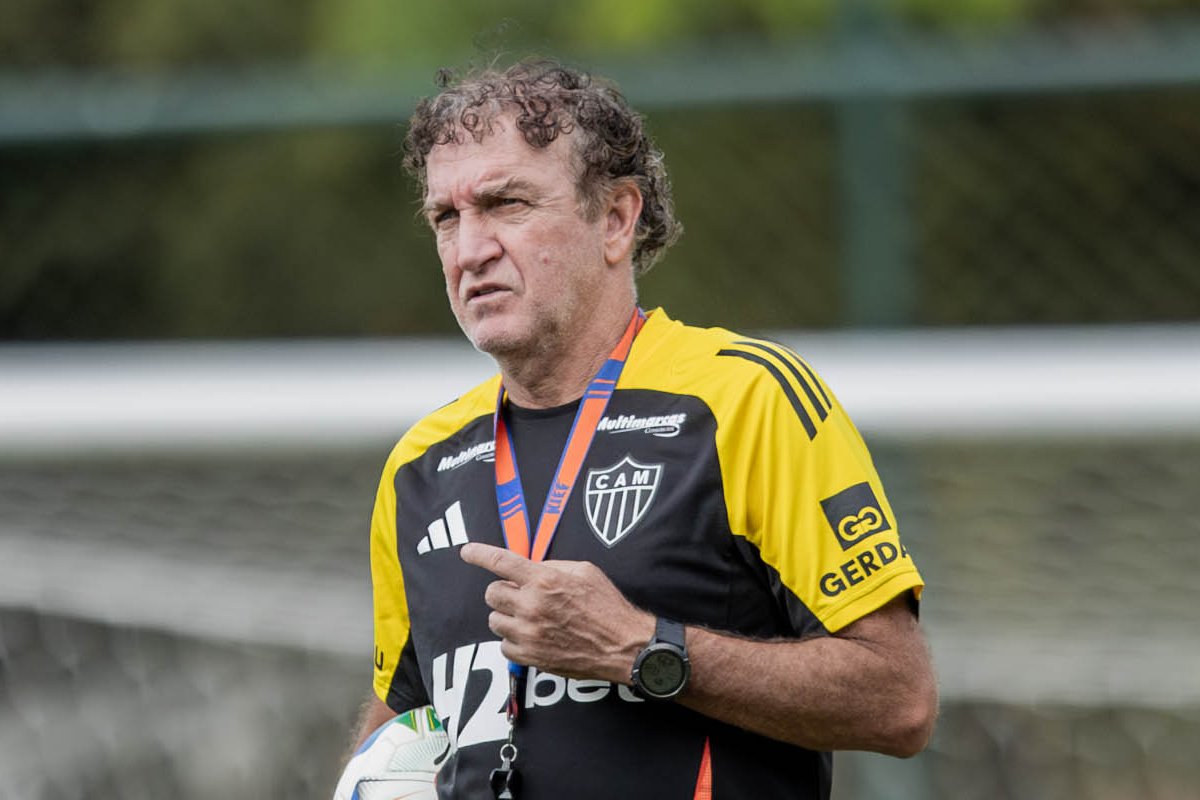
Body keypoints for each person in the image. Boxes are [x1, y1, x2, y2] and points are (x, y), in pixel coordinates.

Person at [342, 58, 937, 799]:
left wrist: (639, 648)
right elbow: (404, 715)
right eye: (447, 217)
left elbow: (898, 700)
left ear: (617, 219)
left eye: (507, 204)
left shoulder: (743, 401)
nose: (470, 250)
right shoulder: (419, 466)